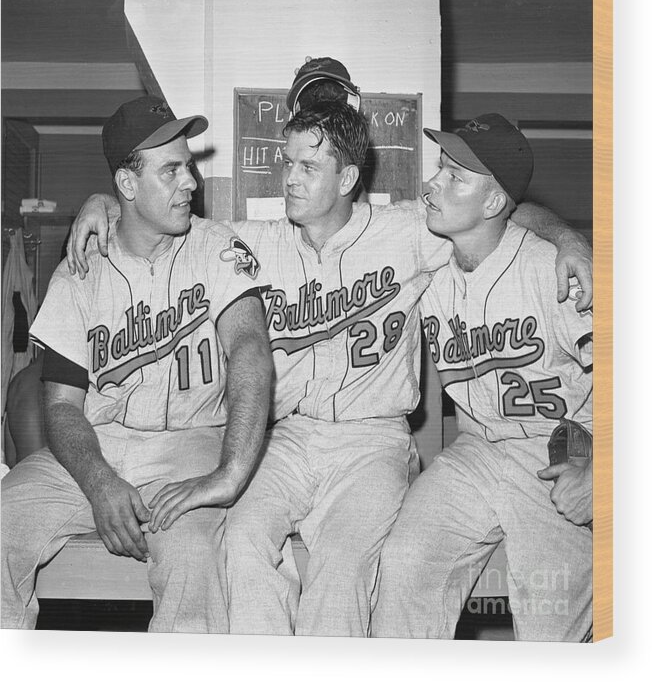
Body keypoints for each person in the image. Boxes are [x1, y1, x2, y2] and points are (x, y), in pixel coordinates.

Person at [65, 96, 592, 637]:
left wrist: (569, 236)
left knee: (342, 567)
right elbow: (159, 221)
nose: (289, 179)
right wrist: (105, 199)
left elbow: (505, 215)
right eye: (287, 163)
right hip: (287, 438)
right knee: (241, 544)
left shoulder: (414, 230)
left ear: (346, 179)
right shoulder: (253, 243)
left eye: (308, 167)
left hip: (372, 440)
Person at [0, 96, 273, 633]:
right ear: (127, 186)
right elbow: (61, 407)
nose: (191, 181)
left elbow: (249, 350)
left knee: (194, 558)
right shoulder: (79, 273)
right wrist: (100, 483)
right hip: (97, 449)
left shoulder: (218, 248)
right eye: (171, 169)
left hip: (190, 447)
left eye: (188, 164)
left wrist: (229, 472)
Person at [372, 114, 593, 642]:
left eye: (455, 177)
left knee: (549, 623)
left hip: (562, 451)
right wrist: (563, 226)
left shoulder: (551, 270)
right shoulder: (428, 264)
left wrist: (605, 473)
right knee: (402, 567)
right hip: (478, 454)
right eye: (439, 169)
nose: (432, 185)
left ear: (493, 204)